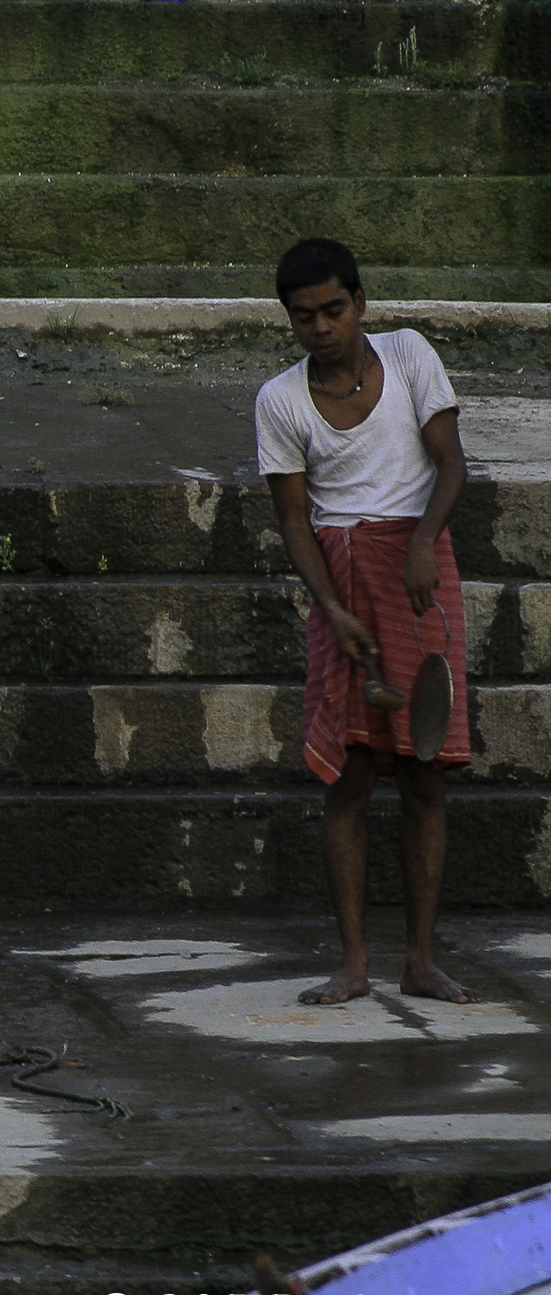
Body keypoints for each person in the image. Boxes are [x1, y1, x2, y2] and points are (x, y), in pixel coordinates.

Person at [256, 237, 477, 1007]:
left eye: (333, 310)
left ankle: (419, 960)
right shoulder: (280, 401)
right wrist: (331, 609)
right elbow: (294, 523)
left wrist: (422, 543)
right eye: (303, 316)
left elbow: (451, 463)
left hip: (418, 573)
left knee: (424, 771)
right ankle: (354, 963)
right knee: (347, 777)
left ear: (361, 304)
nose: (320, 327)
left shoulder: (412, 356)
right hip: (341, 581)